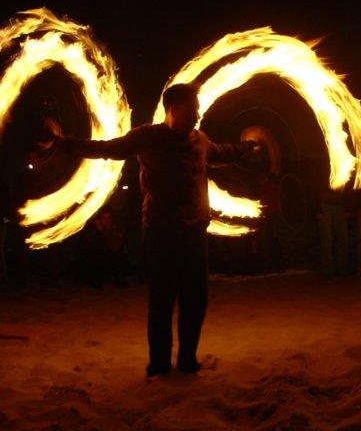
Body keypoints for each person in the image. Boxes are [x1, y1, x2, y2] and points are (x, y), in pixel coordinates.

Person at [46, 83, 260, 376]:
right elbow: (109, 149)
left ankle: (187, 359)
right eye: (193, 108)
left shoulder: (200, 140)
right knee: (162, 300)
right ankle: (159, 365)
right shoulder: (148, 137)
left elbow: (223, 153)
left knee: (195, 300)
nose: (198, 114)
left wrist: (247, 148)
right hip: (161, 233)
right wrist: (66, 142)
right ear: (173, 109)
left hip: (194, 233)